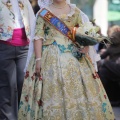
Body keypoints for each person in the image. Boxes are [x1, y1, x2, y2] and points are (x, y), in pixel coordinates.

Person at [18, 0, 115, 119]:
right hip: (49, 59)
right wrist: (38, 59)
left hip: (75, 58)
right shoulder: (43, 13)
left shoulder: (76, 12)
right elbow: (38, 37)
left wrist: (86, 47)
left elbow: (84, 33)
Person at [0, 0, 35, 119]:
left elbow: (32, 21)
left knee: (24, 85)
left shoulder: (25, 2)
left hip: (24, 48)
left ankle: (24, 116)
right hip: (4, 47)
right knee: (7, 87)